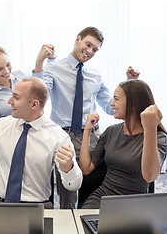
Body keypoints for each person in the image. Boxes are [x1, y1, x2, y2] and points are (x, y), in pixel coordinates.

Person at [33, 27, 140, 209]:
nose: (90, 51)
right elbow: (39, 95)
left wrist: (130, 82)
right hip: (62, 135)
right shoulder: (54, 68)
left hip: (90, 135)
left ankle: (90, 218)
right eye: (88, 44)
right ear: (78, 39)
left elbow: (109, 106)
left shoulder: (95, 75)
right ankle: (68, 219)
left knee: (97, 180)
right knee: (67, 187)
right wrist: (39, 61)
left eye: (95, 49)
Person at [0, 77, 82, 208]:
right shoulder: (1, 126)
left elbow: (74, 184)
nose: (9, 101)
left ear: (34, 104)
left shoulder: (58, 136)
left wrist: (68, 169)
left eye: (16, 97)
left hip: (35, 208)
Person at [79, 79, 167, 209]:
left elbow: (149, 176)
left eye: (116, 99)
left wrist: (150, 129)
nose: (111, 104)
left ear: (133, 104)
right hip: (103, 198)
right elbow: (86, 168)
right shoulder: (111, 131)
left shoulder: (159, 137)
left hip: (134, 204)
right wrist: (87, 130)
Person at [0, 46, 54, 124]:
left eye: (8, 64)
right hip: (10, 133)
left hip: (35, 127)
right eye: (0, 69)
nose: (6, 71)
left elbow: (41, 92)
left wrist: (40, 61)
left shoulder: (21, 76)